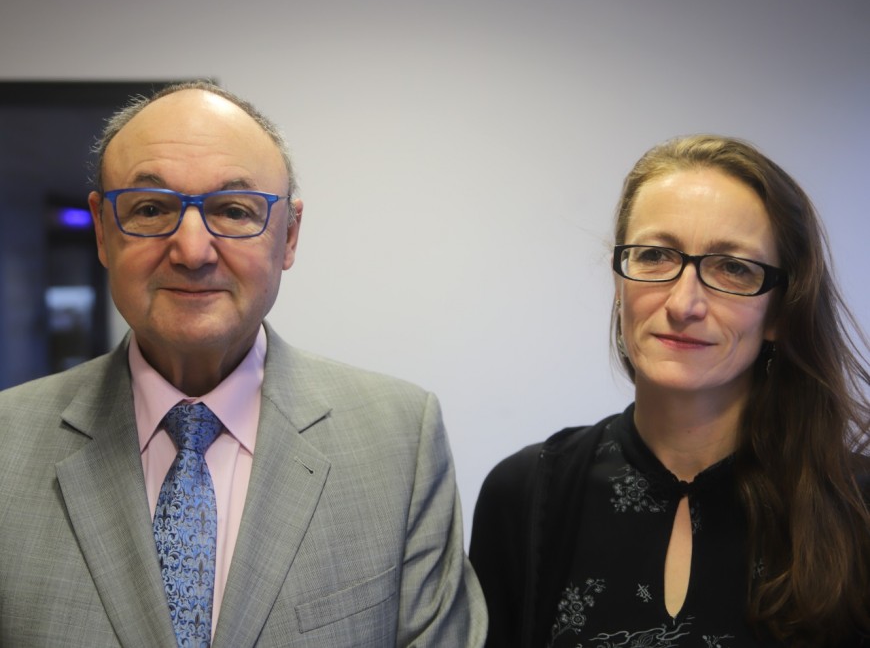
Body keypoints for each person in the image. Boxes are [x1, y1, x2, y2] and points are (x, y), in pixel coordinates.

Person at [0, 81, 486, 647]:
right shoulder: (8, 445)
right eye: (151, 209)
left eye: (233, 211)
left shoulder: (400, 440)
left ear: (289, 236)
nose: (192, 251)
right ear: (103, 231)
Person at [470, 134, 870, 647]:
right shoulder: (526, 494)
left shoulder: (858, 509)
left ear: (780, 312)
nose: (684, 304)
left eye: (734, 267)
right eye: (655, 256)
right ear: (620, 285)